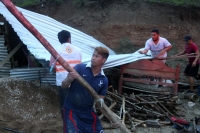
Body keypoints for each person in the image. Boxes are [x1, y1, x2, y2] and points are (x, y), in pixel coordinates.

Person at [61, 47, 109, 133]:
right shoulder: (80, 68)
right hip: (71, 110)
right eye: (93, 55)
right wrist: (69, 78)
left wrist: (112, 119)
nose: (93, 58)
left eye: (96, 56)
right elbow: (63, 85)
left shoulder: (104, 79)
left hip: (87, 111)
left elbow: (100, 103)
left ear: (104, 60)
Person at [49, 30, 82, 118]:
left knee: (65, 106)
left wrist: (60, 71)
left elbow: (52, 67)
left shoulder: (55, 51)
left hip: (63, 83)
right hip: (77, 82)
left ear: (59, 40)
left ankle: (67, 126)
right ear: (69, 38)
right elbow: (80, 66)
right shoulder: (78, 50)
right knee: (76, 105)